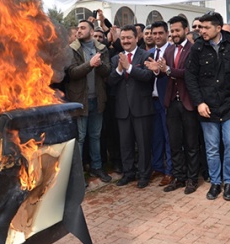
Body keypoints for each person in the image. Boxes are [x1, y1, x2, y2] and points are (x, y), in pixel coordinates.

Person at [185, 12, 230, 201]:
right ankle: (215, 183)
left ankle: (228, 183)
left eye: (206, 27)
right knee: (211, 148)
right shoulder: (198, 48)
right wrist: (199, 102)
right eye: (200, 27)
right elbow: (190, 77)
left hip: (229, 104)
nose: (202, 31)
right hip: (207, 106)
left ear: (218, 28)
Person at [146, 16, 201, 195]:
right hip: (171, 102)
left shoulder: (194, 49)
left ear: (186, 30)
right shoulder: (168, 52)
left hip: (188, 102)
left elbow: (189, 73)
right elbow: (164, 75)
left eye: (178, 30)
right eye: (174, 31)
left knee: (191, 144)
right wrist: (157, 70)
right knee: (175, 143)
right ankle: (179, 177)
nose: (175, 34)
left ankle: (192, 179)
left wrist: (167, 70)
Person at [107, 25, 155, 188]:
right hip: (122, 108)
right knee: (125, 144)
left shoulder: (146, 55)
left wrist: (129, 68)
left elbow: (147, 76)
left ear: (136, 38)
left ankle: (144, 175)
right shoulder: (115, 59)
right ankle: (128, 173)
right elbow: (110, 81)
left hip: (141, 107)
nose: (126, 41)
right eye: (123, 38)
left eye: (129, 38)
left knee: (143, 144)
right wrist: (120, 69)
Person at [66, 20, 112, 182]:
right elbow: (72, 73)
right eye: (78, 28)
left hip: (97, 99)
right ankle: (78, 175)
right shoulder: (72, 49)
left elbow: (107, 71)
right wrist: (90, 64)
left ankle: (97, 168)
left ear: (92, 32)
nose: (79, 30)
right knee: (80, 137)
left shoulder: (101, 48)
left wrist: (98, 66)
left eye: (83, 28)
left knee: (95, 136)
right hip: (80, 101)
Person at [145, 21, 172, 186]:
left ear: (167, 33)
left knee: (169, 137)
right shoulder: (150, 52)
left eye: (160, 33)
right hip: (151, 101)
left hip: (167, 100)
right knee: (156, 137)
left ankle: (170, 171)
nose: (157, 36)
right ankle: (157, 167)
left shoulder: (172, 51)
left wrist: (160, 69)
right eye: (154, 33)